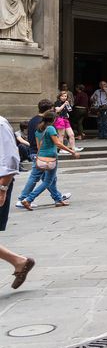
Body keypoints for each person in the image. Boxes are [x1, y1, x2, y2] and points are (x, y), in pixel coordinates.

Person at [0, 115, 35, 289]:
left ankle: (20, 262)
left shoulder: (0, 124)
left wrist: (2, 188)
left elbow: (11, 159)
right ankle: (20, 262)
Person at [19, 110, 80, 210]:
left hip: (41, 157)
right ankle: (29, 199)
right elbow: (58, 143)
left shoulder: (38, 129)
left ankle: (58, 199)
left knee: (49, 179)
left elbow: (39, 146)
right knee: (48, 181)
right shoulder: (51, 128)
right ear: (54, 119)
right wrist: (72, 151)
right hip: (51, 157)